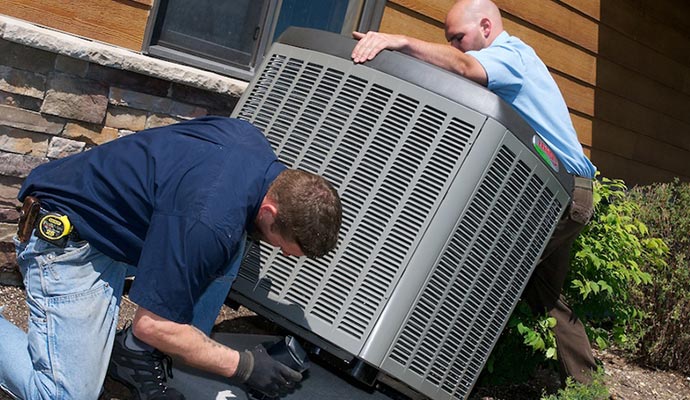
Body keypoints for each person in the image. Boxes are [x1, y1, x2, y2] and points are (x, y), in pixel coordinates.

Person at [0, 116, 343, 400]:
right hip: (70, 242)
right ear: (271, 210)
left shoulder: (251, 143)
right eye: (280, 244)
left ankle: (135, 352)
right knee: (62, 395)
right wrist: (244, 366)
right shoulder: (209, 220)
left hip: (127, 226)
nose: (276, 250)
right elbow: (152, 323)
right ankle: (156, 344)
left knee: (232, 240)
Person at [352, 0, 598, 385]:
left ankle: (422, 378)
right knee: (547, 298)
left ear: (486, 25)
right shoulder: (511, 60)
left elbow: (466, 67)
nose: (455, 48)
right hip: (568, 193)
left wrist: (399, 40)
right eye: (449, 40)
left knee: (481, 279)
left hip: (559, 195)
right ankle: (590, 388)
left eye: (458, 38)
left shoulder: (509, 56)